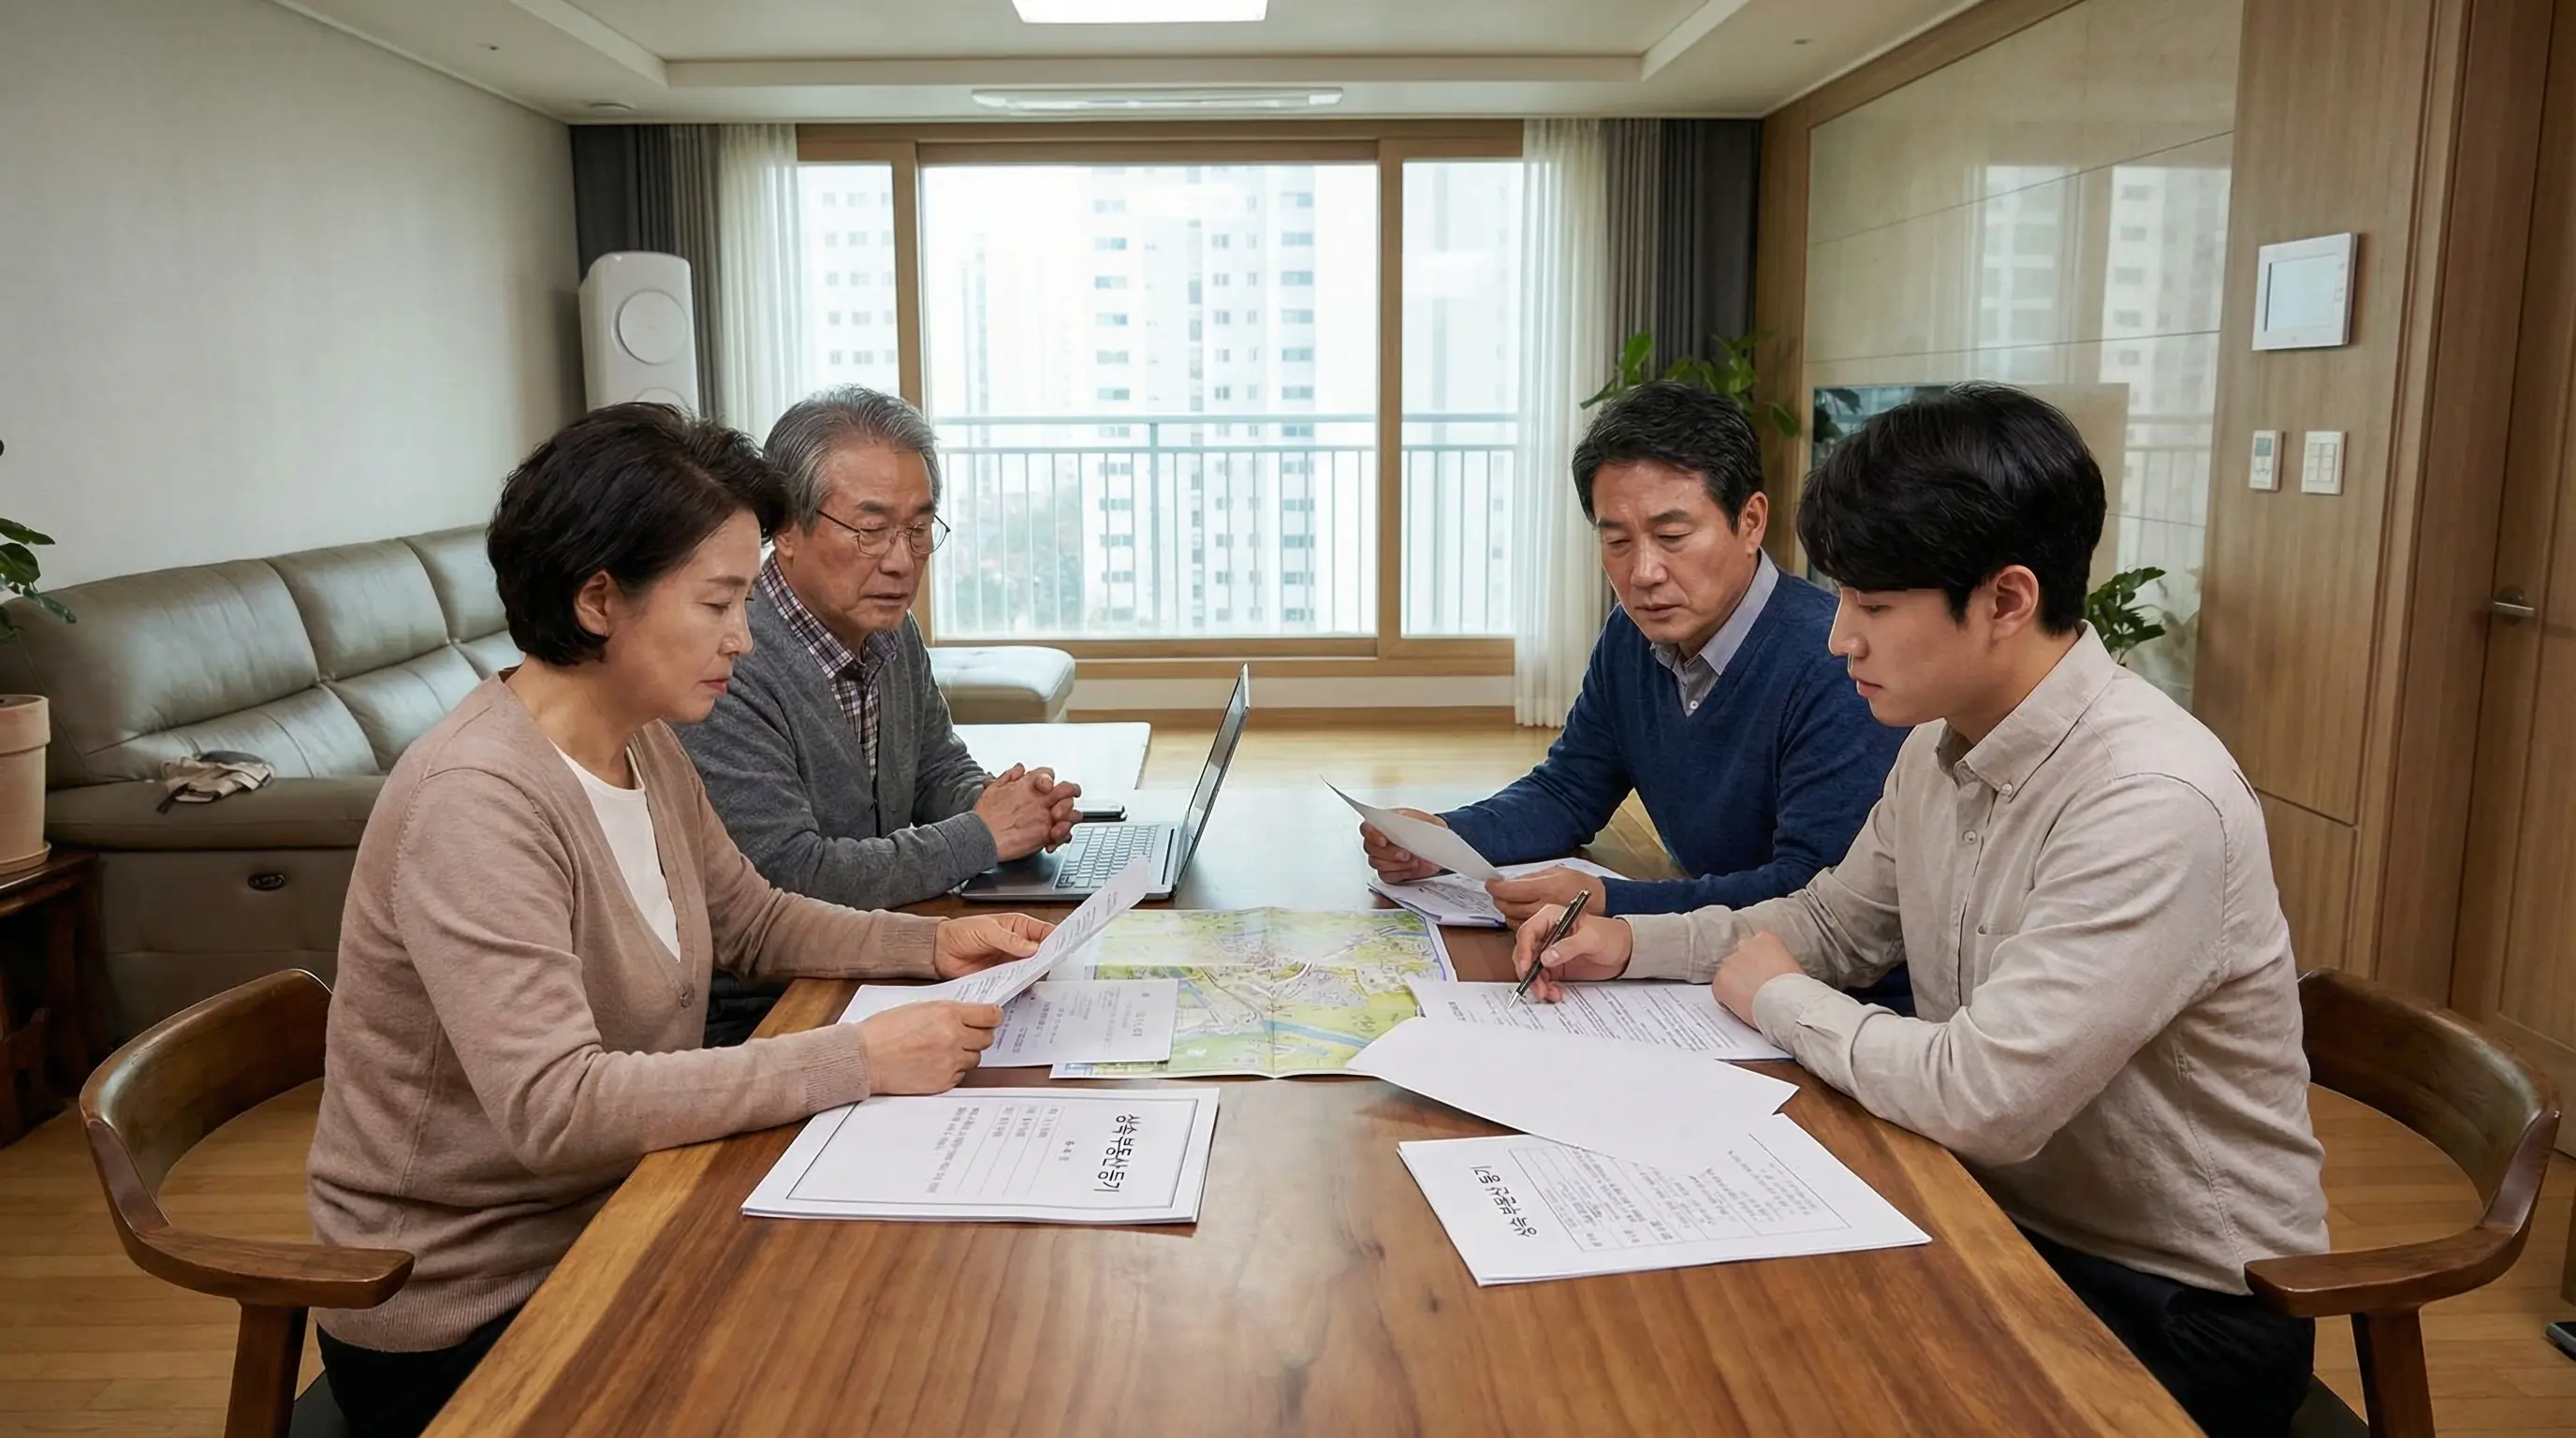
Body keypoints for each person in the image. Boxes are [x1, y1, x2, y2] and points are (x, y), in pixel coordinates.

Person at [1513, 383, 2328, 1438]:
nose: (1839, 637)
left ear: (2004, 599)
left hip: (2169, 1300)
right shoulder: (1943, 744)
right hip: (1987, 1208)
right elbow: (1831, 923)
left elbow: (1982, 1094)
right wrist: (1627, 942)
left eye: (1875, 606)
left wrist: (1782, 1000)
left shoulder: (2148, 801)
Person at [305, 404, 1053, 1438]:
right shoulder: (475, 800)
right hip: (476, 1301)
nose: (745, 639)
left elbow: (746, 917)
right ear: (600, 598)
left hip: (632, 1202)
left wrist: (931, 943)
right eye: (718, 603)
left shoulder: (639, 738)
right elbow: (557, 1106)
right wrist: (857, 1058)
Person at [1359, 381, 1907, 1001]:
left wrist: (1612, 900)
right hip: (1710, 968)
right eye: (1617, 542)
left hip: (1821, 996)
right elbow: (1570, 789)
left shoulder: (1833, 663)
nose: (1643, 573)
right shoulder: (1631, 634)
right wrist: (1446, 840)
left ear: (1751, 522)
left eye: (1672, 537)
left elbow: (1813, 899)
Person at [681, 387, 1077, 1045]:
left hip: (877, 961)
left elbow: (933, 763)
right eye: (870, 530)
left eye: (919, 530)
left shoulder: (890, 628)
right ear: (785, 528)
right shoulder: (726, 661)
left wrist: (1001, 803)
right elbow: (792, 880)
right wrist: (981, 835)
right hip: (771, 1013)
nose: (901, 561)